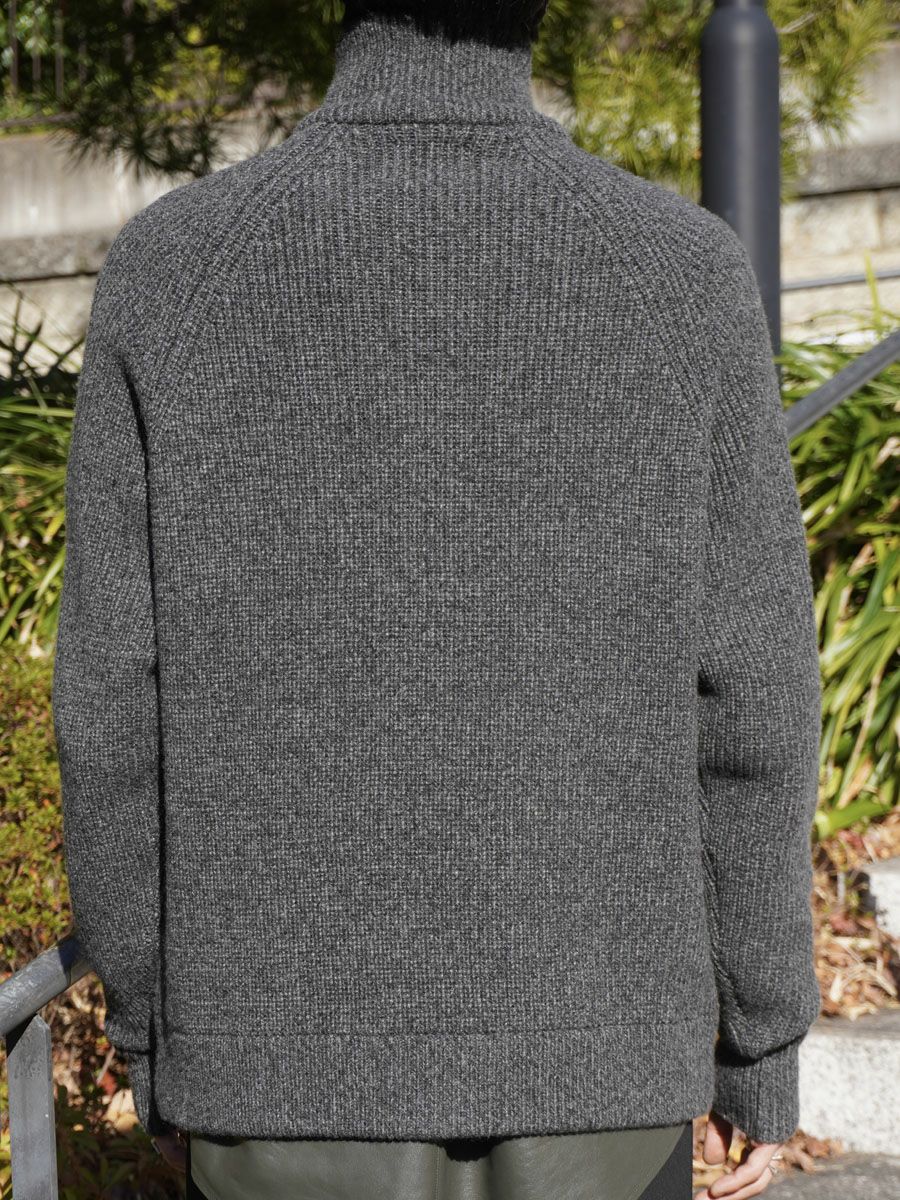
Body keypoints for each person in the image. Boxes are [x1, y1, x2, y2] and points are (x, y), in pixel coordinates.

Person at [51, 0, 823, 1197]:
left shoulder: (175, 268)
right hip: (604, 1075)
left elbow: (108, 708)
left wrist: (158, 1036)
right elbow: (756, 700)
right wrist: (761, 1042)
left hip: (272, 1070)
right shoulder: (681, 273)